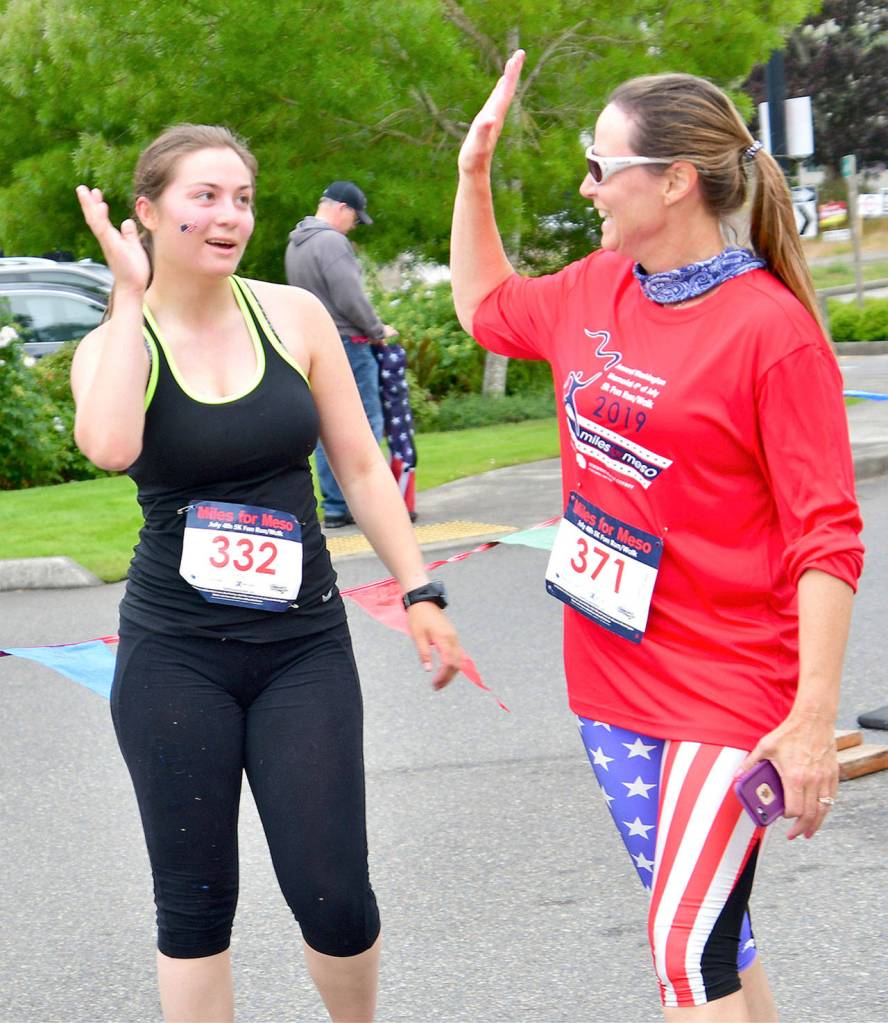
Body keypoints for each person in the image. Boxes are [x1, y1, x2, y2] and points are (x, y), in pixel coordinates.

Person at [451, 52, 864, 1021]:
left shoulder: (774, 333)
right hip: (608, 674)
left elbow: (828, 539)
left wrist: (811, 719)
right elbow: (483, 308)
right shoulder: (597, 287)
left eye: (603, 167)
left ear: (673, 180)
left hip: (732, 688)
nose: (589, 187)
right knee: (716, 934)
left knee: (685, 949)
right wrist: (473, 175)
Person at [71, 124, 461, 1023]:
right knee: (196, 905)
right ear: (147, 211)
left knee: (335, 894)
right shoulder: (115, 344)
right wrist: (129, 300)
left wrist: (419, 589)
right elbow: (110, 445)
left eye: (241, 197)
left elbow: (361, 469)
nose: (228, 215)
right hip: (175, 654)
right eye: (203, 196)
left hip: (302, 649)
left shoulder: (292, 315)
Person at [285, 181, 402, 528]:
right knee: (366, 422)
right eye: (355, 219)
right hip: (349, 345)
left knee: (327, 428)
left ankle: (335, 505)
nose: (353, 226)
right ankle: (367, 503)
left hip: (313, 344)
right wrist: (378, 331)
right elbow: (350, 297)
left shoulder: (296, 244)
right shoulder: (332, 242)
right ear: (343, 209)